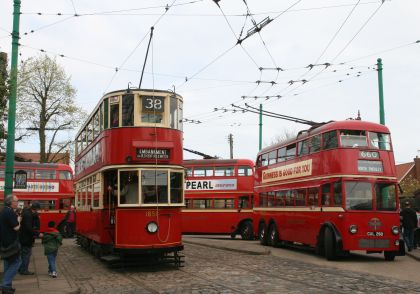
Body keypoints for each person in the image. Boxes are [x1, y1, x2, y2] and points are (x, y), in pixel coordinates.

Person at [0, 194, 22, 294]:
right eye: (16, 201)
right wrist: (19, 220)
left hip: (4, 241)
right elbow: (16, 228)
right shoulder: (9, 212)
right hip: (11, 242)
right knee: (17, 262)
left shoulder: (3, 211)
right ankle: (5, 284)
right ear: (10, 202)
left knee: (8, 263)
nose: (18, 203)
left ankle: (7, 287)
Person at [18, 201, 41, 275]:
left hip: (23, 237)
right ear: (35, 208)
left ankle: (21, 268)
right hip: (26, 238)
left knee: (23, 254)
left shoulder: (27, 212)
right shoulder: (28, 215)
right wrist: (37, 233)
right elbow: (28, 227)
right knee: (26, 254)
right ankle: (24, 270)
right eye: (37, 209)